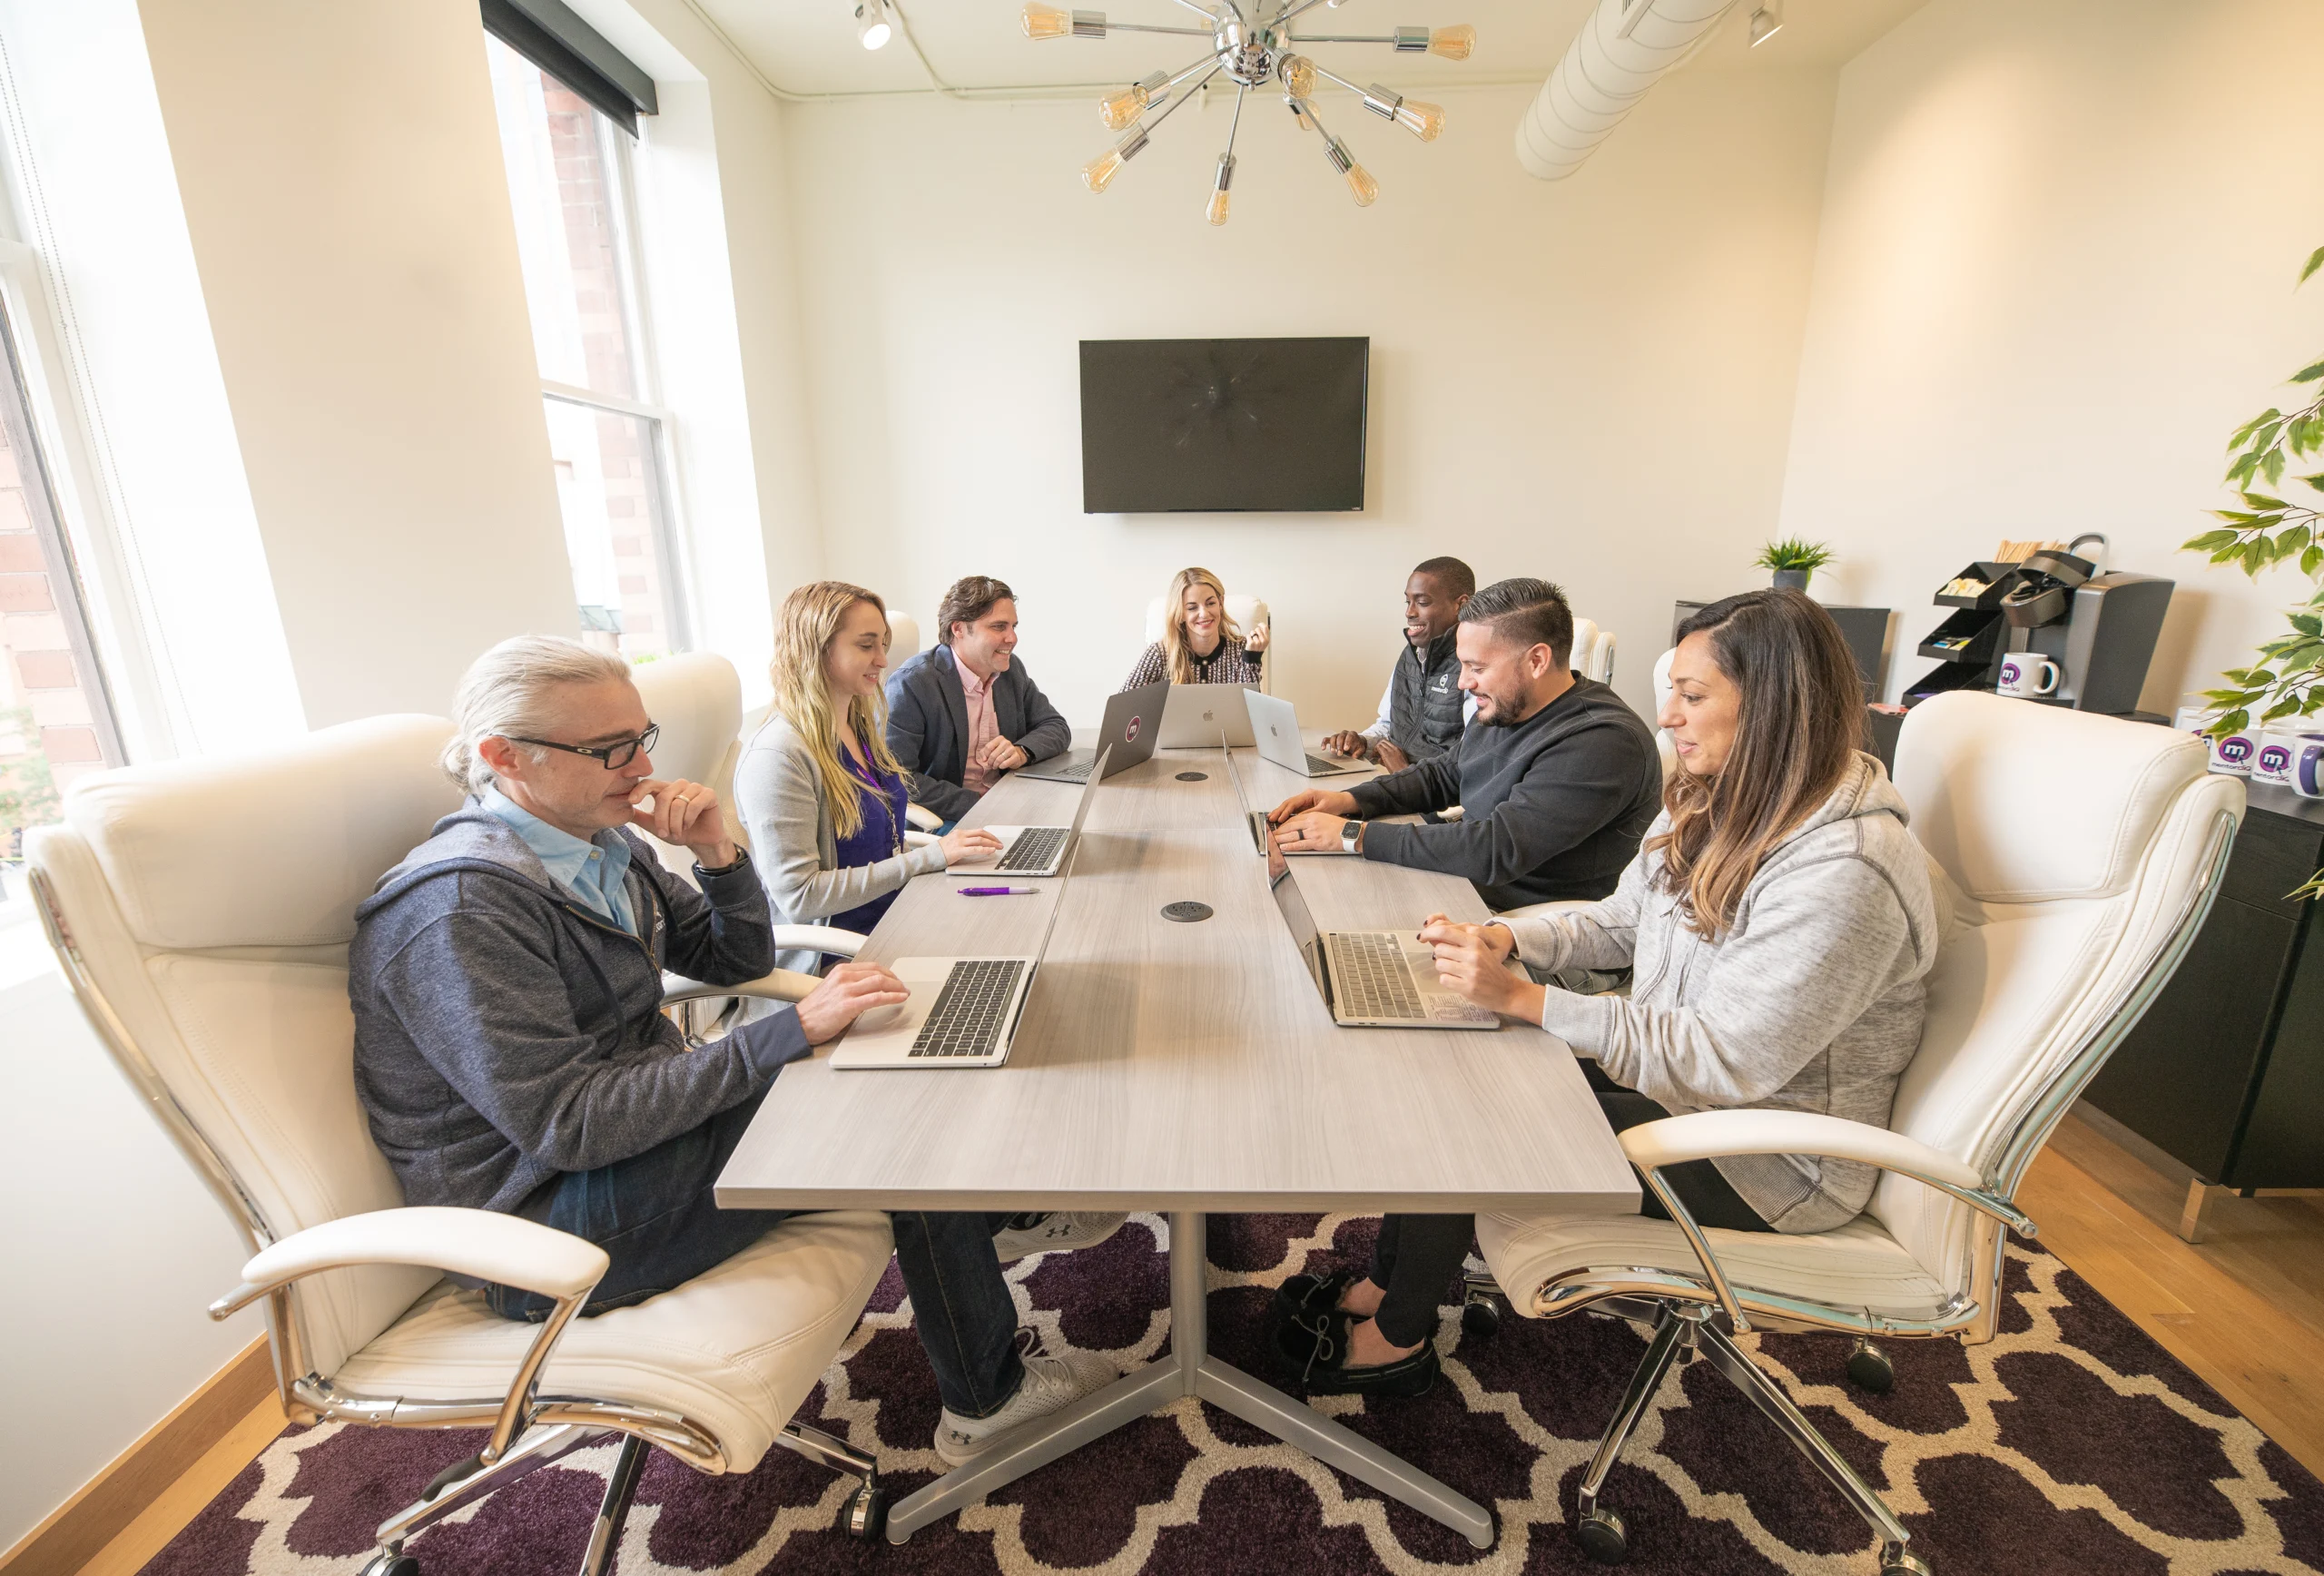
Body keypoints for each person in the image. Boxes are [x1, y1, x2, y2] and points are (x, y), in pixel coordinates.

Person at [351, 635, 1120, 1463]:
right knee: (882, 1101)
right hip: (542, 1227)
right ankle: (987, 1397)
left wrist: (719, 855)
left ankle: (990, 1230)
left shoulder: (602, 847)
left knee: (882, 1060)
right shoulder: (461, 914)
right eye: (609, 749)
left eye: (639, 740)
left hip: (625, 1150)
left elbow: (736, 961)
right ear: (506, 758)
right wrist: (789, 1034)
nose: (637, 767)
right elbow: (570, 1126)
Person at [1279, 590, 1944, 1397]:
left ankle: (1397, 1336)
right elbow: (1624, 919)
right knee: (1458, 1071)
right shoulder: (1722, 799)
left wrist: (1526, 1001)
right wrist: (1513, 941)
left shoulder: (1845, 868)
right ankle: (1389, 1287)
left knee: (1471, 1116)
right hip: (1683, 1096)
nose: (1667, 716)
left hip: (1765, 1155)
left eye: (1693, 697)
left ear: (1773, 708)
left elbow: (1727, 1060)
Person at [1270, 577, 1660, 910]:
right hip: (1469, 890)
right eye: (1463, 666)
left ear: (1537, 661)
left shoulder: (1602, 743)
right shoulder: (1508, 705)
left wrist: (1351, 834)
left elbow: (1495, 849)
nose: (1463, 683)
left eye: (1478, 668)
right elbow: (1445, 774)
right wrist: (1352, 801)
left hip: (1530, 927)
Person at [736, 581, 1006, 977]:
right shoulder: (777, 756)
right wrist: (929, 858)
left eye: (883, 644)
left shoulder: (857, 725)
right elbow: (801, 896)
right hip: (836, 959)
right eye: (866, 646)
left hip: (896, 916)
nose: (882, 660)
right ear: (816, 648)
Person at [885, 576, 1071, 822]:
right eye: (998, 627)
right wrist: (986, 806)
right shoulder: (912, 684)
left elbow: (1056, 726)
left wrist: (1021, 751)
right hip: (950, 819)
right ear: (959, 629)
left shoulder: (1010, 671)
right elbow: (899, 778)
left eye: (1013, 627)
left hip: (1011, 802)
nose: (1012, 638)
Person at [1320, 557, 1477, 772]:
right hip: (1400, 784)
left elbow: (1473, 762)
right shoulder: (1410, 656)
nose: (1409, 612)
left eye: (1422, 602)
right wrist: (1363, 743)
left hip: (1436, 800)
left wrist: (1405, 774)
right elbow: (1388, 725)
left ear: (1461, 605)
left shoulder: (1475, 667)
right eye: (1408, 602)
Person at [1121, 566, 1269, 690]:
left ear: (1221, 603)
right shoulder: (1160, 654)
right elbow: (1124, 709)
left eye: (1210, 603)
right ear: (1180, 613)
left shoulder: (1242, 649)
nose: (1204, 614)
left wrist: (1252, 658)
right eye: (1192, 608)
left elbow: (1250, 713)